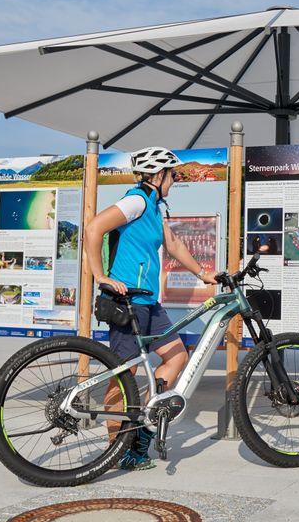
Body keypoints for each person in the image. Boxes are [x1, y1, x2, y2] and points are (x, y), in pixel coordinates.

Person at [85, 146, 216, 471]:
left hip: (148, 302)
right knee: (124, 373)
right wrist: (100, 276)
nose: (175, 180)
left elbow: (173, 244)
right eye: (172, 175)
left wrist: (203, 274)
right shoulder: (137, 201)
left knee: (176, 356)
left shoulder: (154, 207)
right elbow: (93, 228)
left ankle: (141, 425)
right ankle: (119, 448)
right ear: (158, 175)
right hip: (126, 302)